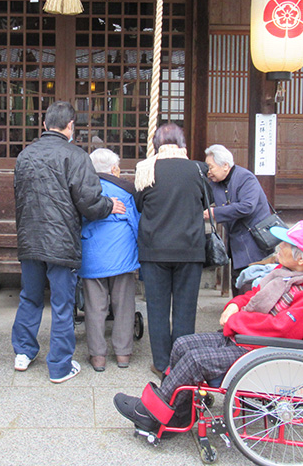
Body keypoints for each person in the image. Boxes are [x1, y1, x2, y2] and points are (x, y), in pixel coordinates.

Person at [113, 220, 303, 432]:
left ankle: (151, 414)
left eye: (285, 244)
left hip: (262, 349)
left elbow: (282, 328)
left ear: (301, 259)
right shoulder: (288, 276)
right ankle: (179, 415)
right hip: (249, 339)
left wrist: (236, 321)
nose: (279, 247)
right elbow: (252, 297)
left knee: (195, 360)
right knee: (182, 344)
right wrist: (234, 305)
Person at [12, 101, 126, 384]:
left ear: (44, 124)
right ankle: (59, 365)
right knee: (62, 304)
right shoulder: (76, 156)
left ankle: (23, 353)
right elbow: (88, 202)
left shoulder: (25, 156)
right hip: (61, 241)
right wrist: (109, 205)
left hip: (30, 238)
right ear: (71, 126)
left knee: (30, 296)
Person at [134, 123, 208, 377]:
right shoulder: (198, 169)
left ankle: (161, 362)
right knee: (185, 309)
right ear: (182, 143)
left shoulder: (146, 170)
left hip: (155, 249)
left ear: (155, 145)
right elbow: (206, 201)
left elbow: (140, 204)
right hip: (189, 248)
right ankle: (182, 363)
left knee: (157, 307)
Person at [78, 148, 140, 372]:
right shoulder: (126, 190)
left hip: (92, 254)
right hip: (121, 255)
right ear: (114, 169)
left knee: (95, 307)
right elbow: (135, 223)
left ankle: (98, 357)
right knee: (124, 305)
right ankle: (123, 354)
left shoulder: (84, 189)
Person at [203, 144, 272, 294]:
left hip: (253, 241)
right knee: (237, 283)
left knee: (250, 286)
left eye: (211, 167)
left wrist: (216, 213)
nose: (209, 172)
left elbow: (247, 206)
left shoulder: (245, 178)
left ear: (225, 166)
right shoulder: (215, 183)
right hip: (236, 242)